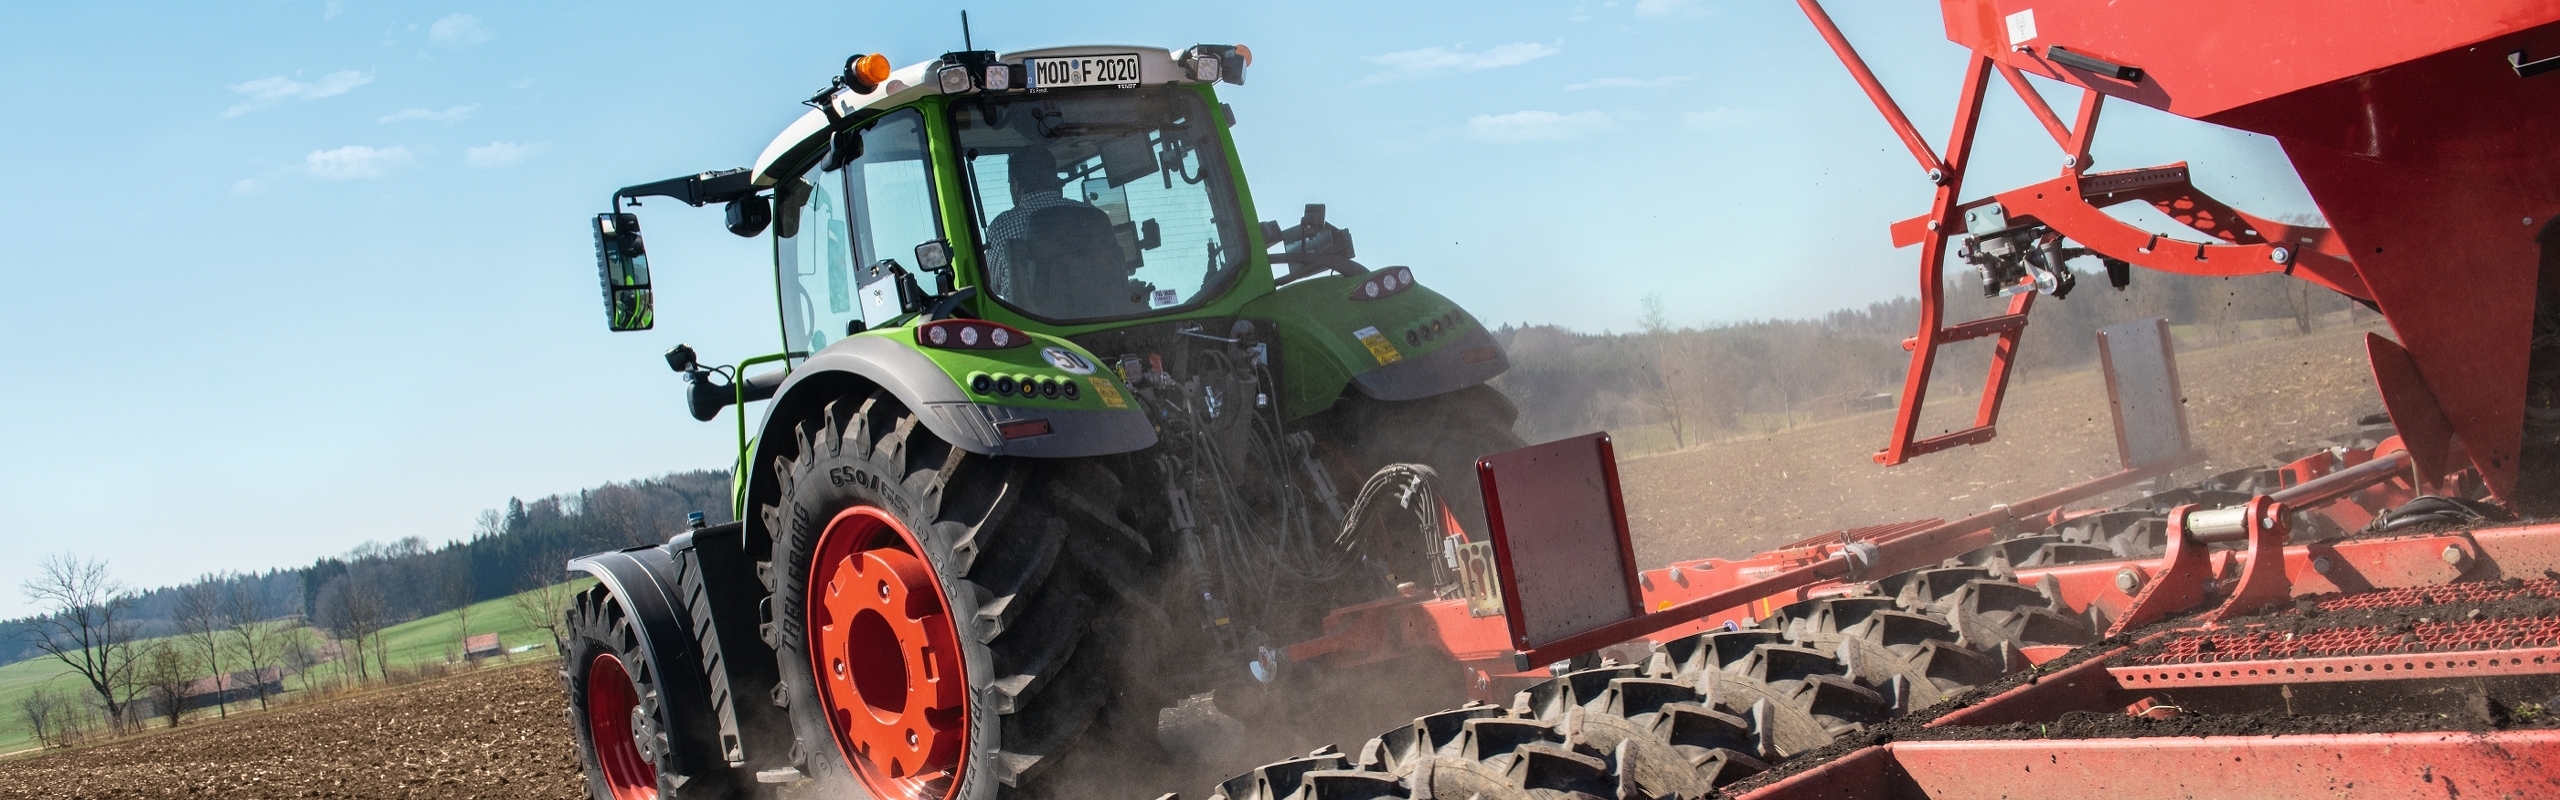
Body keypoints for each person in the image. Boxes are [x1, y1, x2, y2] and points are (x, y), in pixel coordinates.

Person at [982, 148, 1130, 314]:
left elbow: (993, 285)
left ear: (1016, 185)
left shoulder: (1001, 227)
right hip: (1104, 322)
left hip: (1035, 328)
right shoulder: (1093, 217)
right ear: (1055, 179)